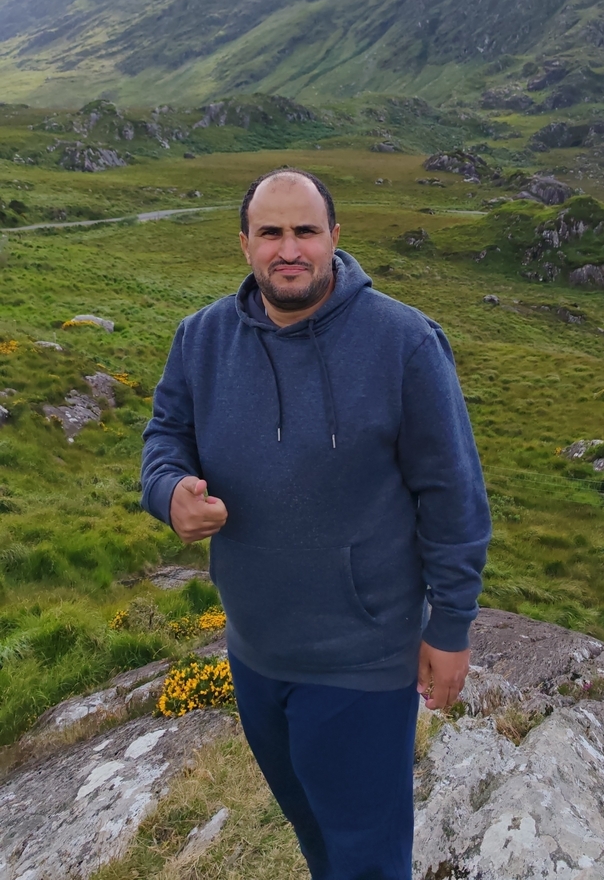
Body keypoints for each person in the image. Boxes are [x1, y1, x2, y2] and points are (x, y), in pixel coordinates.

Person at [141, 167, 491, 880]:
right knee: (316, 837)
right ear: (244, 244)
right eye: (271, 232)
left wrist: (449, 627)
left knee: (367, 856)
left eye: (305, 230)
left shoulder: (404, 343)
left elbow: (453, 495)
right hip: (255, 655)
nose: (288, 248)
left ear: (335, 237)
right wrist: (169, 490)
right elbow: (165, 435)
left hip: (362, 662)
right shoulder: (200, 338)